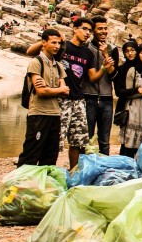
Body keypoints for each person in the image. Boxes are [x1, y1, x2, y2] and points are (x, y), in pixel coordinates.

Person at [26, 18, 100, 170]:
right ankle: (44, 170)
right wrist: (51, 39)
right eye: (84, 29)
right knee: (54, 141)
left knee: (78, 141)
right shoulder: (62, 46)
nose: (87, 33)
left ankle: (73, 174)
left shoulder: (87, 53)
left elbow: (91, 77)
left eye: (90, 31)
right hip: (59, 100)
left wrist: (104, 68)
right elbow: (30, 52)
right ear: (74, 29)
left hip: (78, 100)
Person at [17, 29, 68, 166]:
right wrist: (58, 89)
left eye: (59, 43)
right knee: (31, 153)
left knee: (51, 154)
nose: (57, 46)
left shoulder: (58, 65)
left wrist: (52, 89)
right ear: (43, 43)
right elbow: (41, 91)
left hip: (55, 114)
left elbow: (66, 91)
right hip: (38, 113)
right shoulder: (36, 62)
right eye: (53, 42)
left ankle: (44, 184)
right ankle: (21, 184)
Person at [85, 16, 119, 156]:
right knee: (87, 137)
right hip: (89, 97)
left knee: (104, 139)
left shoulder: (113, 49)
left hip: (106, 98)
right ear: (93, 30)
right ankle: (85, 168)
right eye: (100, 28)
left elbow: (115, 76)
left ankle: (104, 170)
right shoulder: (86, 48)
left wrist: (105, 54)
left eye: (105, 28)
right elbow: (89, 77)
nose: (104, 31)